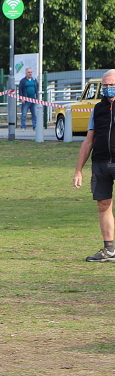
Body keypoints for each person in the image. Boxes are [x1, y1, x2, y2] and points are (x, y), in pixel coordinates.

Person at [72, 68, 115, 262]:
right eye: (105, 85)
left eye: (112, 85)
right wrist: (78, 170)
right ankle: (109, 250)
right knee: (103, 205)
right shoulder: (97, 109)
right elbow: (88, 141)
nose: (108, 88)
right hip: (100, 163)